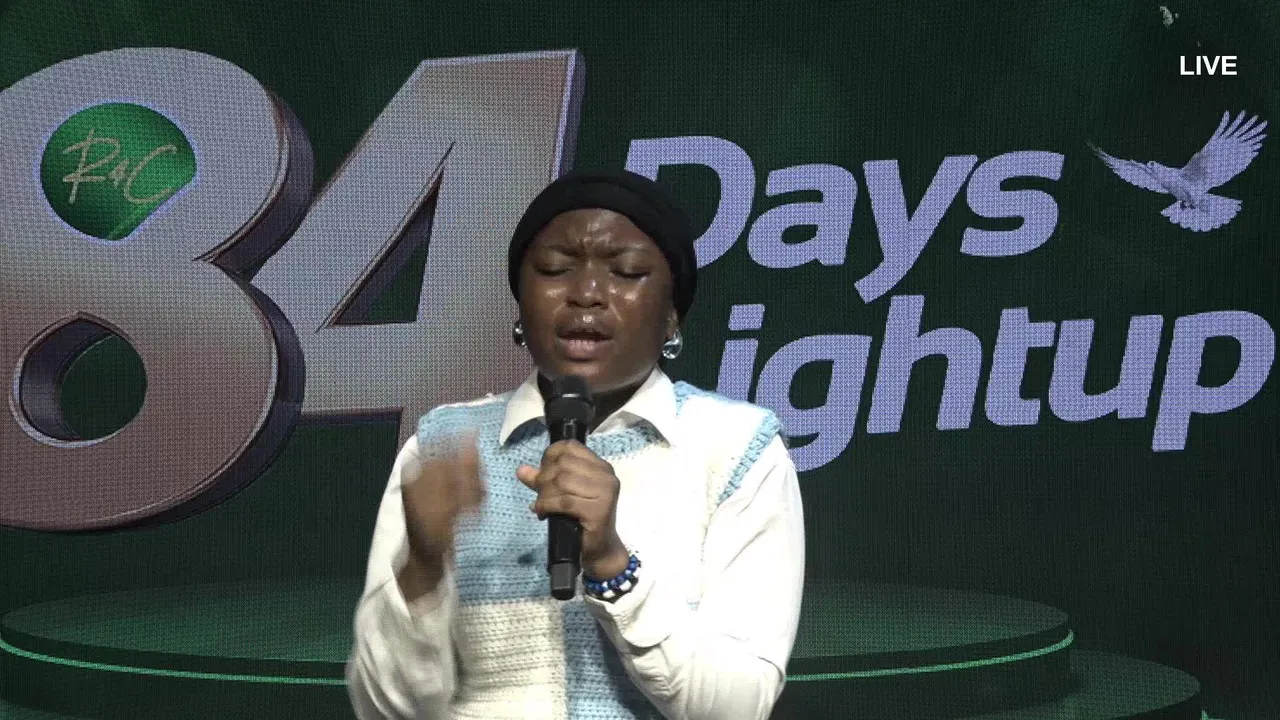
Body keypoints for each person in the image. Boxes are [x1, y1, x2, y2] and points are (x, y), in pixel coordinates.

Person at [345, 170, 806, 720]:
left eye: (626, 271)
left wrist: (613, 564)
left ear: (672, 314)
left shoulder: (733, 448)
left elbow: (737, 707)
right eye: (554, 269)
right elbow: (382, 708)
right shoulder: (445, 447)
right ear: (520, 303)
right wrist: (421, 569)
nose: (586, 294)